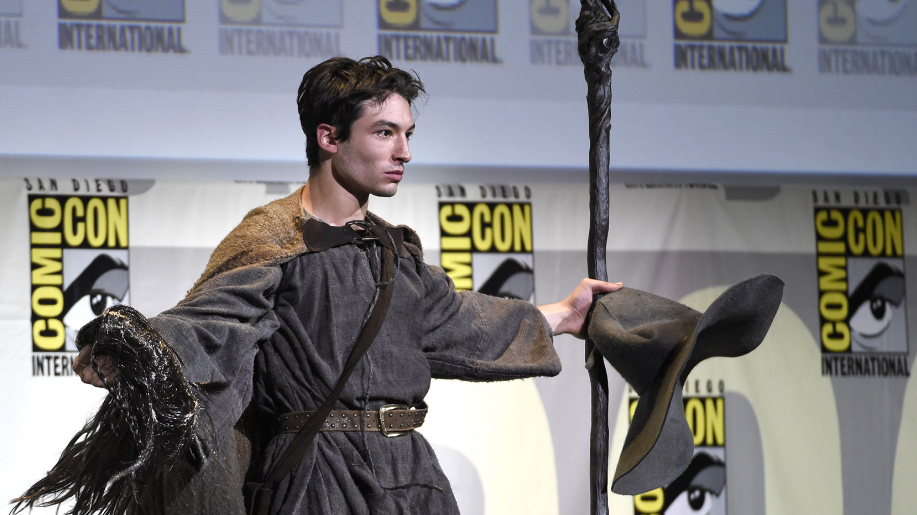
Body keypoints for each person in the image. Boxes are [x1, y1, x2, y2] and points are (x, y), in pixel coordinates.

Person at [66, 55, 622, 514]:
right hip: (317, 480)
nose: (404, 152)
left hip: (413, 480)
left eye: (407, 134)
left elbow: (460, 322)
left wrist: (565, 313)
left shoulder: (395, 254)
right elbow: (209, 322)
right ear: (329, 137)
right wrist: (128, 350)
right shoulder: (274, 239)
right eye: (384, 133)